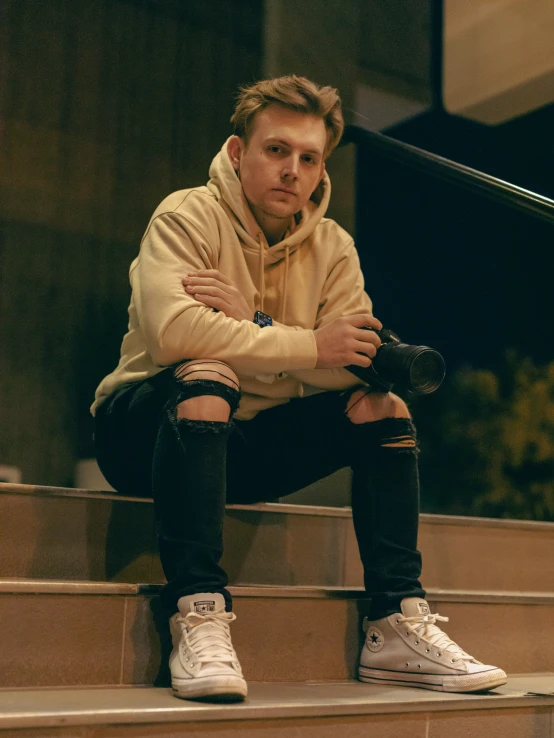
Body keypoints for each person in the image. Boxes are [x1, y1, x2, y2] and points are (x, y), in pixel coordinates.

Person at [91, 75, 507, 702]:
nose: (292, 170)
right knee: (207, 372)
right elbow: (177, 333)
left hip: (245, 447)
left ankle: (394, 621)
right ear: (239, 153)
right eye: (276, 150)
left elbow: (356, 361)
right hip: (144, 434)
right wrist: (306, 345)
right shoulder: (188, 214)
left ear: (320, 170)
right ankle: (197, 612)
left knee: (380, 404)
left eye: (308, 158)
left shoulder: (334, 247)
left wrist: (251, 325)